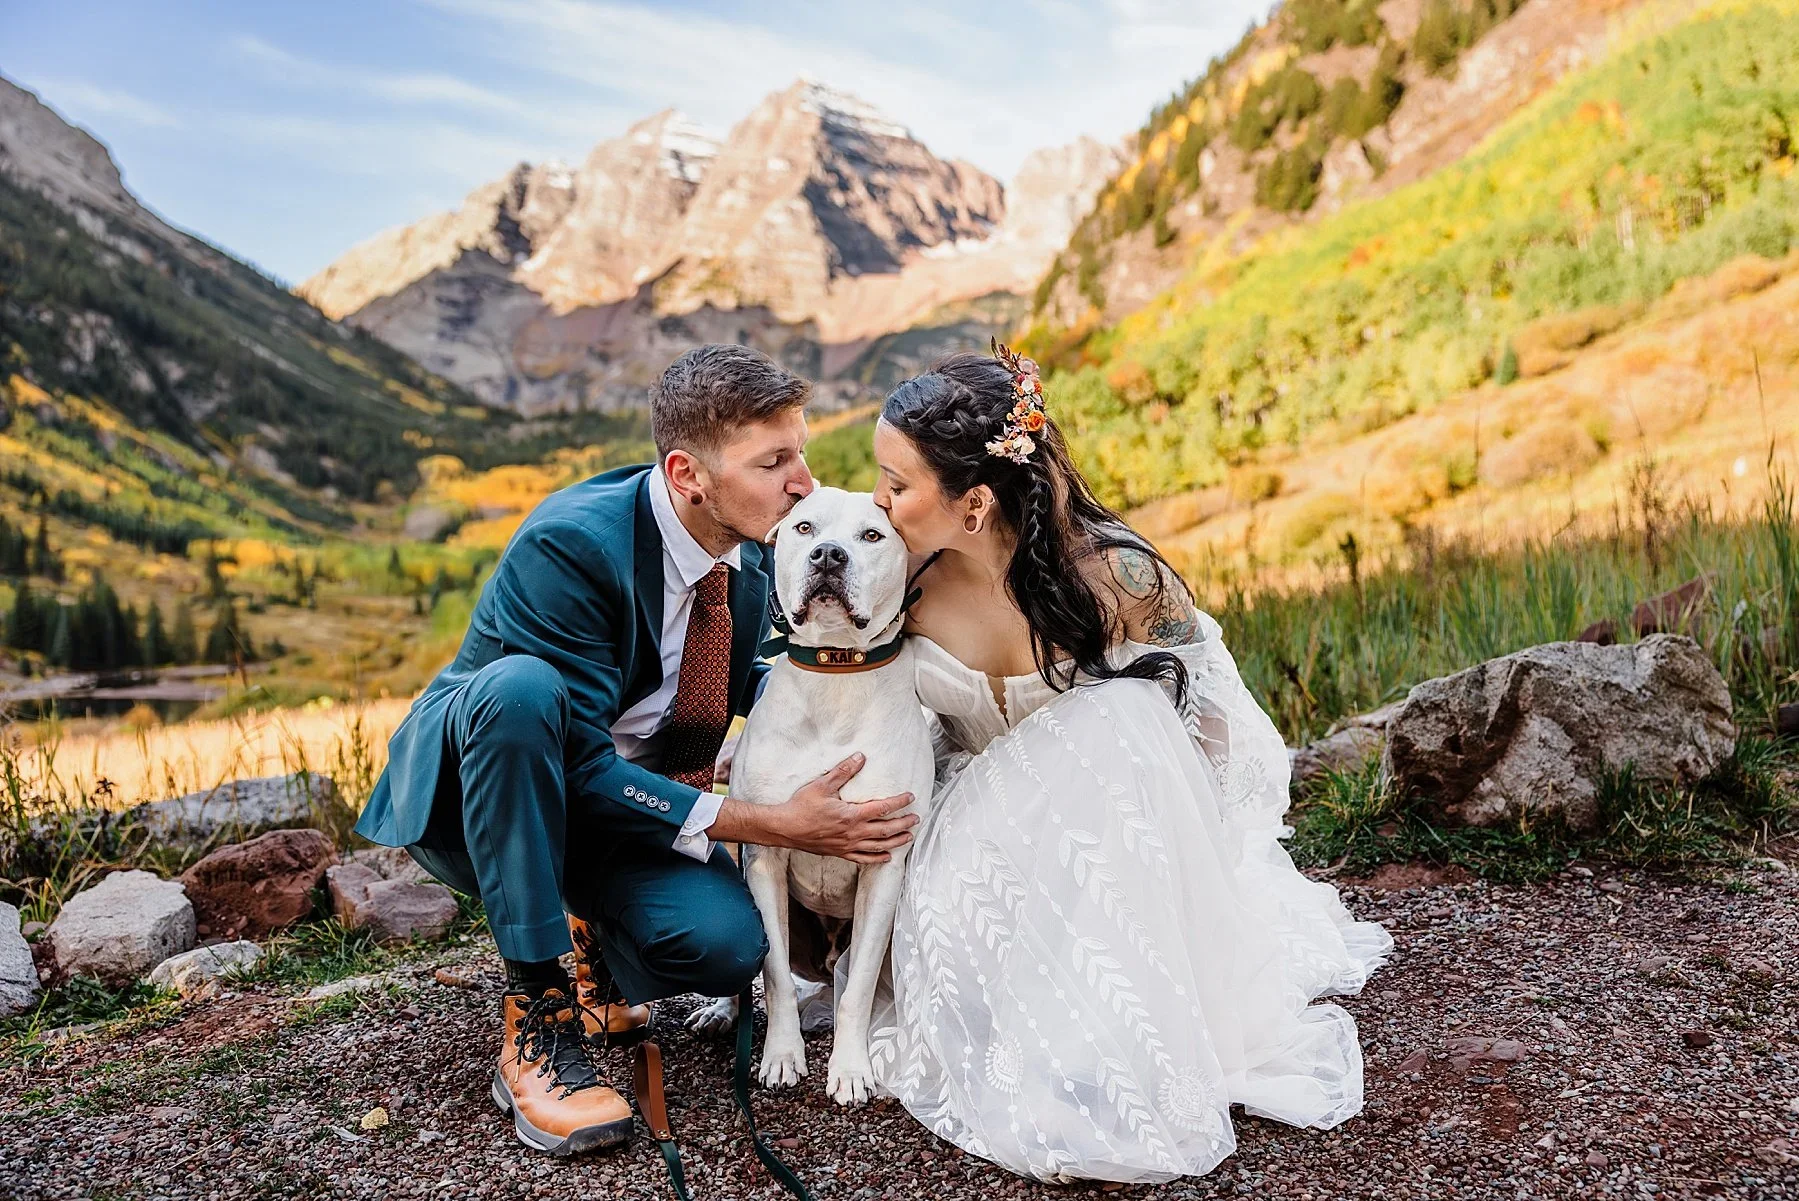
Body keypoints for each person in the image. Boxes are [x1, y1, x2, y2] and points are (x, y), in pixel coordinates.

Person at [355, 344, 917, 1156]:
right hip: (494, 795)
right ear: (689, 474)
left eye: (799, 451)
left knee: (725, 947)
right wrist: (772, 821)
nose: (803, 480)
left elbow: (782, 676)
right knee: (521, 693)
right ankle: (538, 1016)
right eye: (774, 461)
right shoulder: (569, 546)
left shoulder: (760, 553)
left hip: (627, 804)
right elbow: (576, 763)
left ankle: (593, 933)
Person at [862, 345, 1393, 1183]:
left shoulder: (1115, 574)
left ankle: (1110, 1054)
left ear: (972, 506)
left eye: (897, 484)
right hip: (974, 835)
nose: (877, 500)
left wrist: (1196, 846)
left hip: (1103, 835)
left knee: (1119, 713)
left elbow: (1212, 708)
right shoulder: (898, 579)